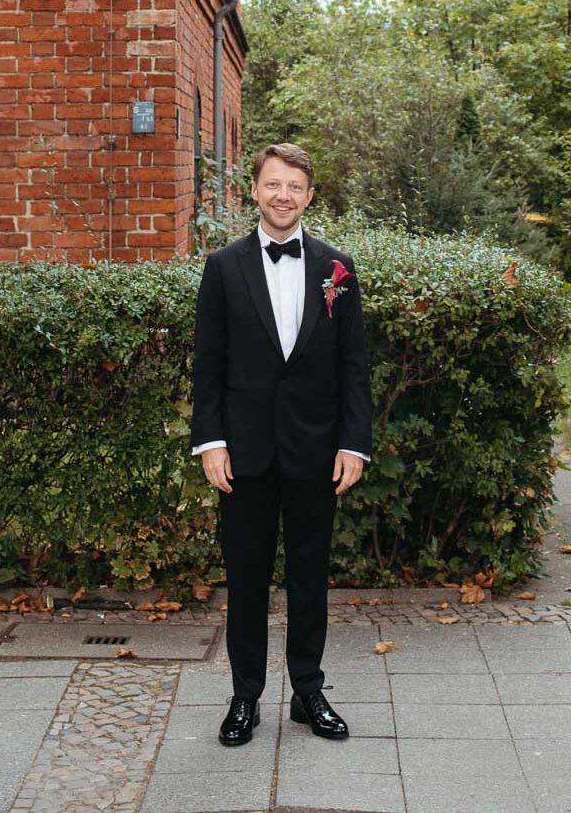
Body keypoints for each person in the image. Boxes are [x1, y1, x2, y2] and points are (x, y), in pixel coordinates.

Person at [189, 142, 374, 746]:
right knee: (245, 576)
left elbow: (353, 366)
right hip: (243, 453)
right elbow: (208, 365)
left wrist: (354, 443)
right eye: (273, 184)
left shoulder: (337, 269)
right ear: (255, 191)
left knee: (309, 575)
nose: (283, 196)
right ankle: (245, 697)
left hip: (317, 453)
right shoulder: (222, 267)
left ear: (310, 196)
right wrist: (211, 441)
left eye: (295, 186)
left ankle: (308, 691)